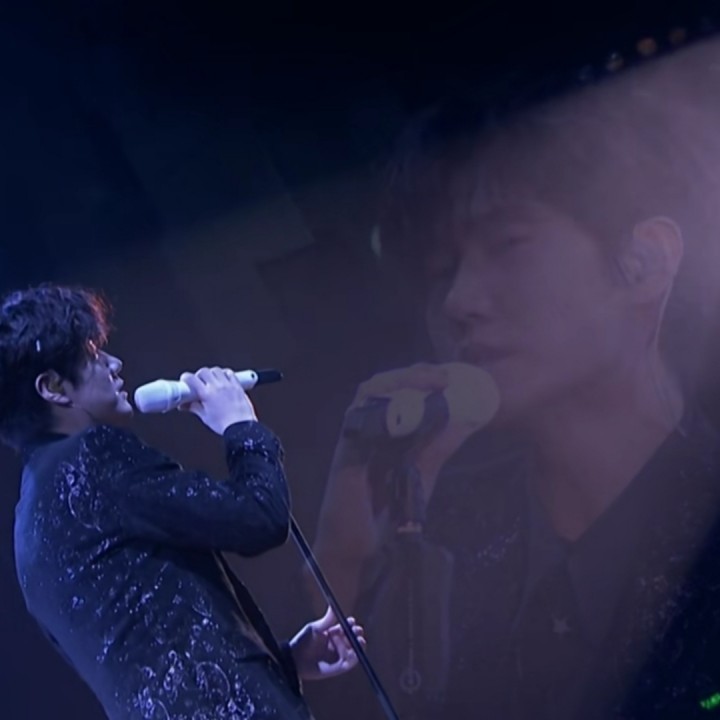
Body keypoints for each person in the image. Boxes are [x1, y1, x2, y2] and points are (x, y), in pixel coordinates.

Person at [309, 33, 720, 720]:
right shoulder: (442, 538)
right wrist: (347, 563)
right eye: (441, 271)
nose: (459, 301)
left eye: (508, 245)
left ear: (644, 263)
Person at [1, 284, 365, 720]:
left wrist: (282, 663)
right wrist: (240, 425)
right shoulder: (93, 457)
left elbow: (149, 665)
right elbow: (259, 516)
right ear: (54, 387)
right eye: (93, 353)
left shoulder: (27, 531)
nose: (114, 364)